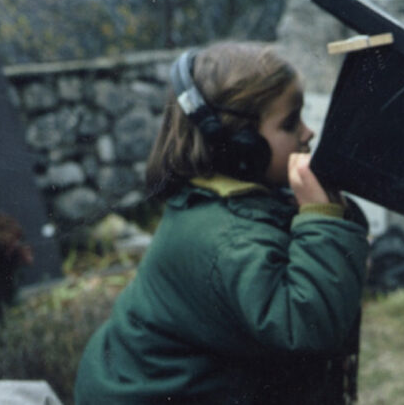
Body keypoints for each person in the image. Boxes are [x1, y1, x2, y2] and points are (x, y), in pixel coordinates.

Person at [74, 41, 369, 404]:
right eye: (290, 123)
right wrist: (321, 219)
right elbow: (305, 328)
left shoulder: (226, 201)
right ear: (242, 144)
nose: (307, 133)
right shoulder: (229, 240)